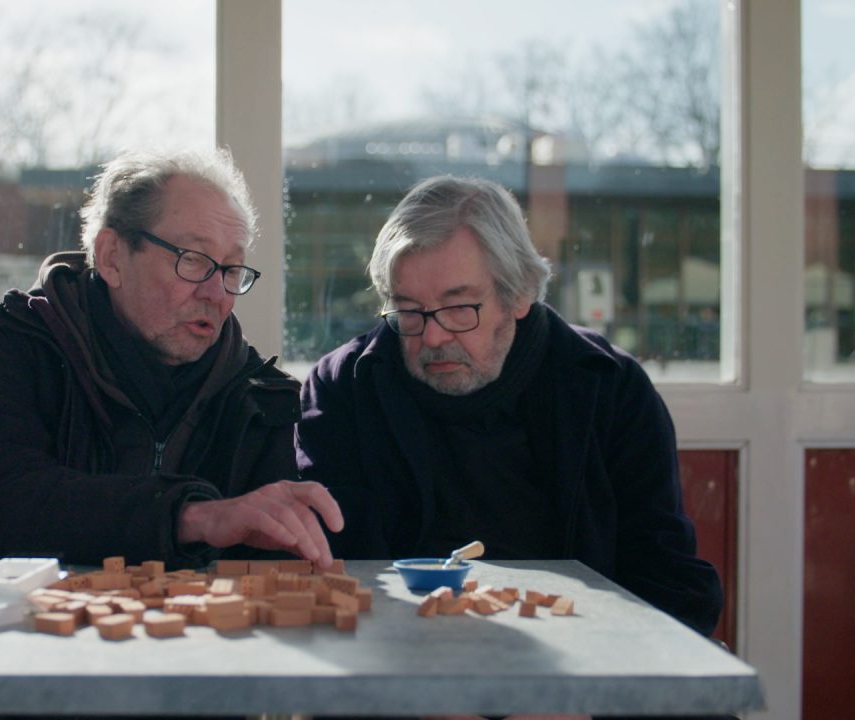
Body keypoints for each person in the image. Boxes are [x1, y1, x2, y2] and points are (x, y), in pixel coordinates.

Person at [295, 175, 723, 637]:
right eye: (409, 310)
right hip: (395, 664)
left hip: (579, 669)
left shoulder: (608, 390)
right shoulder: (344, 388)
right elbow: (331, 578)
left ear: (518, 294)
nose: (432, 336)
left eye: (459, 307)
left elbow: (670, 584)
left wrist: (578, 705)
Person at [0, 148, 342, 588]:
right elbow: (1, 500)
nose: (218, 294)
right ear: (112, 257)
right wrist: (191, 516)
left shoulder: (262, 398)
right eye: (194, 260)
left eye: (232, 269)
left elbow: (257, 582)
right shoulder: (15, 345)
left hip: (179, 644)